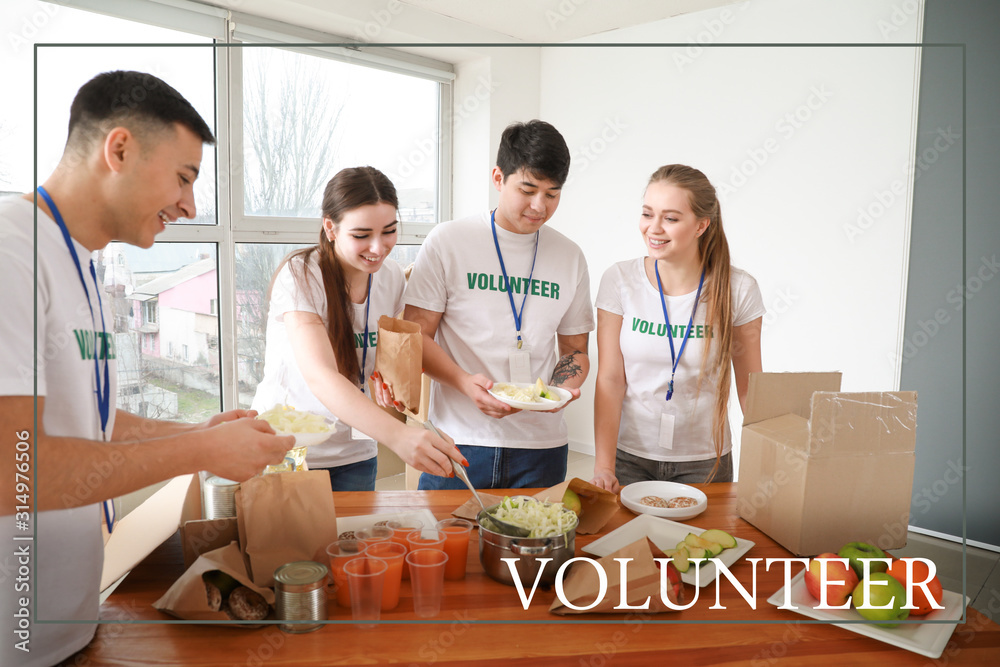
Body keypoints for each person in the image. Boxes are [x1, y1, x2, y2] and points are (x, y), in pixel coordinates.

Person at [0, 71, 295, 667]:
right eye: (184, 177)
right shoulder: (12, 253)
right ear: (120, 149)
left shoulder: (80, 262)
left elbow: (94, 423)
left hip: (68, 628)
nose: (188, 204)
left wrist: (202, 434)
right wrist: (198, 454)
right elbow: (15, 471)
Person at [397, 119, 594, 490]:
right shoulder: (449, 241)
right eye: (528, 189)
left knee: (533, 548)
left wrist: (559, 391)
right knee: (445, 545)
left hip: (543, 446)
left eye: (552, 194)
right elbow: (416, 337)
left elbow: (575, 349)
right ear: (498, 177)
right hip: (459, 439)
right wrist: (464, 382)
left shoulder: (569, 256)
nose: (539, 206)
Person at [250, 166, 463, 489]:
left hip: (356, 451)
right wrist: (399, 436)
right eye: (362, 236)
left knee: (352, 539)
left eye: (389, 231)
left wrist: (386, 379)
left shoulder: (390, 276)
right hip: (291, 450)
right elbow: (320, 376)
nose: (378, 247)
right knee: (293, 540)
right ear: (330, 228)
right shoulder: (301, 275)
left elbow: (387, 355)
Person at [590, 164, 764, 492]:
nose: (654, 228)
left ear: (701, 225)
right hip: (629, 458)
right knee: (627, 544)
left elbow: (750, 388)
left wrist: (776, 458)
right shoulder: (619, 280)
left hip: (705, 462)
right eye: (647, 214)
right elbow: (611, 379)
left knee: (697, 545)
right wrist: (603, 465)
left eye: (670, 218)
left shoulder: (738, 289)